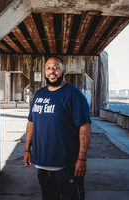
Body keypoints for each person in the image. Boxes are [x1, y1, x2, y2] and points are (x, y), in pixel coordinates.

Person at [24, 56, 91, 200]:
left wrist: (82, 158)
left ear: (64, 71)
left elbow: (84, 127)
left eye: (56, 67)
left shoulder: (74, 94)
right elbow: (31, 122)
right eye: (48, 68)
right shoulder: (39, 94)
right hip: (41, 163)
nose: (51, 71)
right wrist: (26, 149)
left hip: (66, 164)